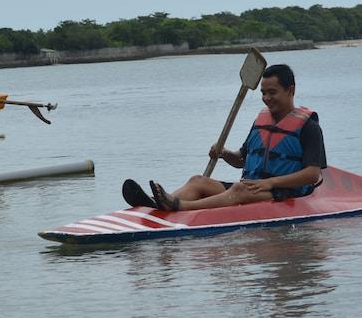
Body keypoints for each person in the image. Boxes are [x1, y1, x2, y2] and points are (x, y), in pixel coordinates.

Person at [126, 63, 326, 211]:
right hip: (252, 187)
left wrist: (270, 183)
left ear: (290, 90)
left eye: (272, 93)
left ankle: (180, 206)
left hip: (284, 192)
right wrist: (223, 153)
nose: (266, 98)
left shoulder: (309, 127)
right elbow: (241, 160)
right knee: (198, 181)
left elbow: (311, 174)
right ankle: (156, 205)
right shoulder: (261, 120)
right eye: (263, 93)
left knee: (239, 189)